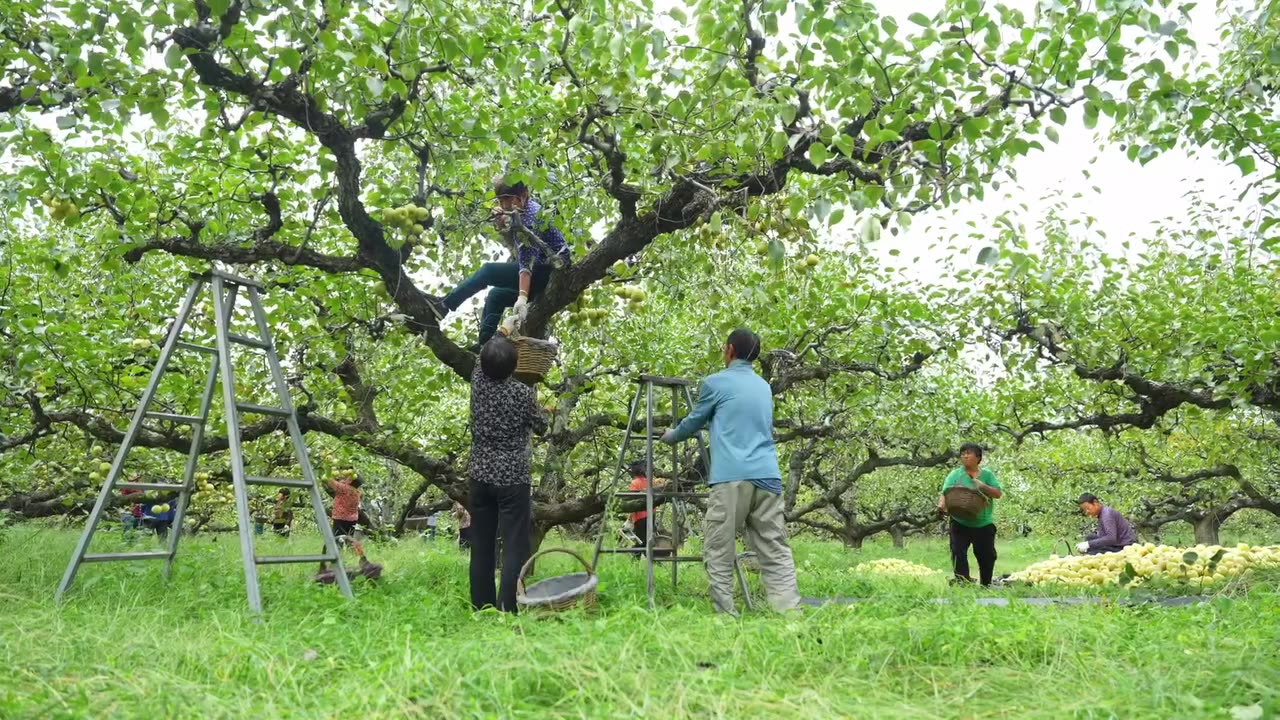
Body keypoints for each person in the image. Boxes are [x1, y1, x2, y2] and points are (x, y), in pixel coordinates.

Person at [661, 328, 801, 615]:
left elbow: (694, 422)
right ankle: (789, 613)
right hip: (768, 476)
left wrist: (671, 435)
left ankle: (725, 615)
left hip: (732, 478)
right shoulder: (763, 386)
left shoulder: (715, 383)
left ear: (730, 351)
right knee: (774, 548)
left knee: (719, 549)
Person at [427, 178, 571, 351]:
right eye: (500, 200)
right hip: (539, 272)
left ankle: (445, 305)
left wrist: (522, 297)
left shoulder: (531, 217)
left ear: (523, 195)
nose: (504, 205)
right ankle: (485, 346)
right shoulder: (522, 211)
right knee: (496, 296)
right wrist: (502, 222)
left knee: (489, 271)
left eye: (507, 199)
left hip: (550, 271)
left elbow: (527, 263)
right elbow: (517, 244)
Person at [466, 336, 548, 613]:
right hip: (513, 477)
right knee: (513, 544)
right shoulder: (523, 394)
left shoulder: (478, 383)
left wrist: (507, 326)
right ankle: (508, 606)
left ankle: (482, 605)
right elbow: (542, 428)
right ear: (515, 366)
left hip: (480, 473)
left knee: (481, 543)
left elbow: (482, 357)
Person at [938, 443, 1004, 587]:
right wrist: (941, 506)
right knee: (958, 552)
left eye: (969, 453)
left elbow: (998, 494)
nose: (965, 456)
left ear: (978, 457)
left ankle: (986, 584)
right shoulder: (955, 474)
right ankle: (963, 583)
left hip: (983, 523)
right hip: (959, 521)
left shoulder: (987, 475)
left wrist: (982, 486)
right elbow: (945, 492)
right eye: (962, 454)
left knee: (987, 556)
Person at [319, 470, 362, 574]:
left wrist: (328, 470)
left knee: (337, 538)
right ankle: (353, 557)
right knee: (349, 539)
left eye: (347, 478)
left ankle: (337, 561)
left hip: (341, 518)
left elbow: (329, 480)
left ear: (351, 480)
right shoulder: (357, 492)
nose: (344, 478)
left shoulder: (344, 488)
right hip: (352, 519)